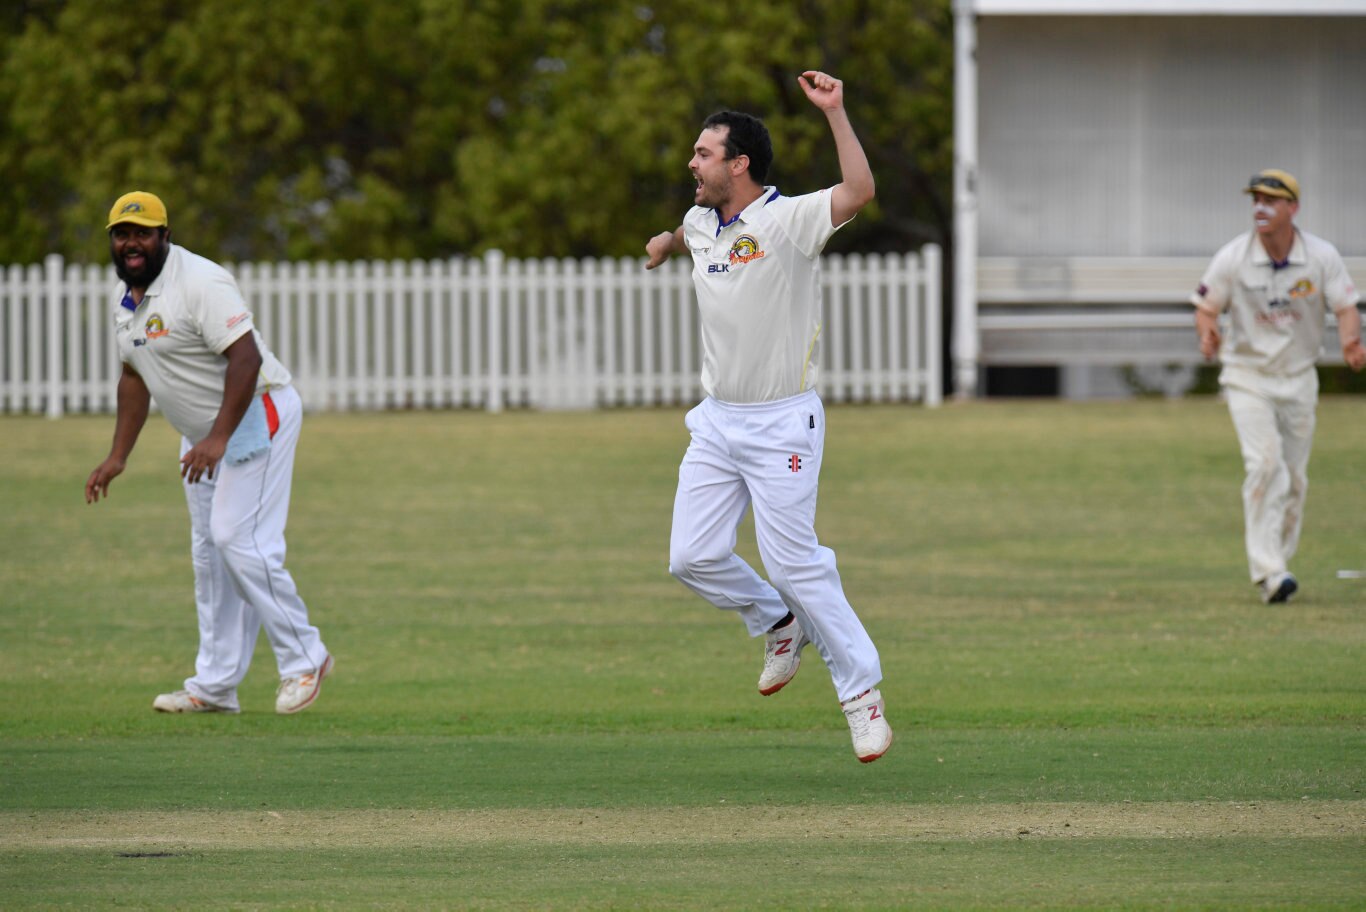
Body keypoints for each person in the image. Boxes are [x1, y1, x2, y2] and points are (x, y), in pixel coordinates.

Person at [644, 71, 891, 762]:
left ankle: (861, 693)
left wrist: (836, 112)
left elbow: (861, 193)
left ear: (739, 163)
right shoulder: (700, 223)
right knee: (690, 555)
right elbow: (688, 237)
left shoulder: (789, 221)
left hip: (783, 421)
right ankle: (777, 623)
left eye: (703, 154)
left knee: (794, 561)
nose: (691, 164)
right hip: (718, 422)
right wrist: (664, 244)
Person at [85, 191, 333, 713]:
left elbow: (246, 359)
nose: (132, 243)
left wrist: (218, 438)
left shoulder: (201, 282)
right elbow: (134, 376)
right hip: (204, 436)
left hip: (255, 416)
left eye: (143, 233)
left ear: (164, 236)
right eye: (122, 234)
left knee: (237, 538)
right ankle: (216, 686)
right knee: (209, 555)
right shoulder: (125, 298)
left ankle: (306, 657)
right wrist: (118, 455)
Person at [1192, 169, 1364, 604]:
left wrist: (1350, 343)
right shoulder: (1234, 256)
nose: (1260, 208)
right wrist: (1207, 333)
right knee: (1266, 466)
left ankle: (1278, 568)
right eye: (1255, 200)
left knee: (1294, 480)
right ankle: (1269, 571)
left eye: (1271, 200)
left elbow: (1345, 305)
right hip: (1249, 377)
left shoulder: (1321, 256)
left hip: (1299, 377)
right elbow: (1206, 306)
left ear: (1293, 207)